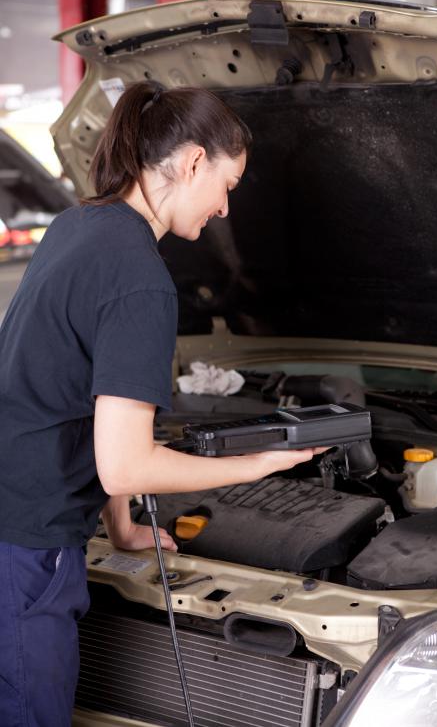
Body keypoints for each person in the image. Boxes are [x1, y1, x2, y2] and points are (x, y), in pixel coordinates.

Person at [0, 82, 321, 727]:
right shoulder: (140, 280)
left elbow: (87, 404)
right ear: (195, 162)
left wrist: (122, 531)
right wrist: (257, 465)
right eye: (228, 184)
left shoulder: (77, 225)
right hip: (28, 550)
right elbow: (125, 467)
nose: (226, 209)